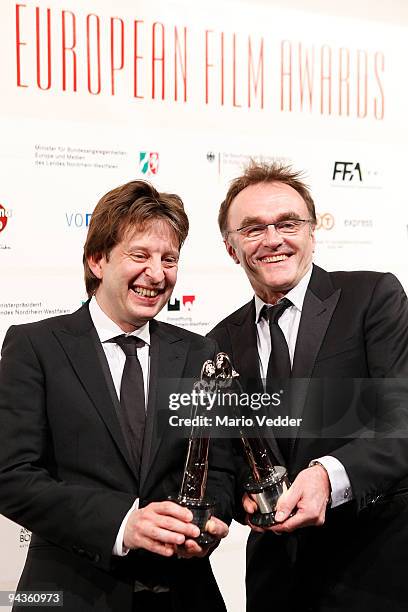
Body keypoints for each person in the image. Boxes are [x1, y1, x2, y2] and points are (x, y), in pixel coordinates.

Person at [0, 180, 234, 612]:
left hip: (186, 594)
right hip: (72, 593)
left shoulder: (201, 353)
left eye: (169, 259)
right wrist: (123, 524)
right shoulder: (35, 346)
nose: (157, 274)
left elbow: (219, 468)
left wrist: (199, 522)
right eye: (139, 255)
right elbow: (12, 476)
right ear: (97, 260)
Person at [208, 162, 408, 611]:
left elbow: (402, 416)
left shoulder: (372, 298)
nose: (273, 238)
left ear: (312, 233)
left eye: (288, 223)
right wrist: (242, 496)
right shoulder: (218, 341)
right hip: (276, 583)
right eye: (253, 228)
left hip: (377, 571)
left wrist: (327, 475)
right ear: (231, 247)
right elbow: (227, 452)